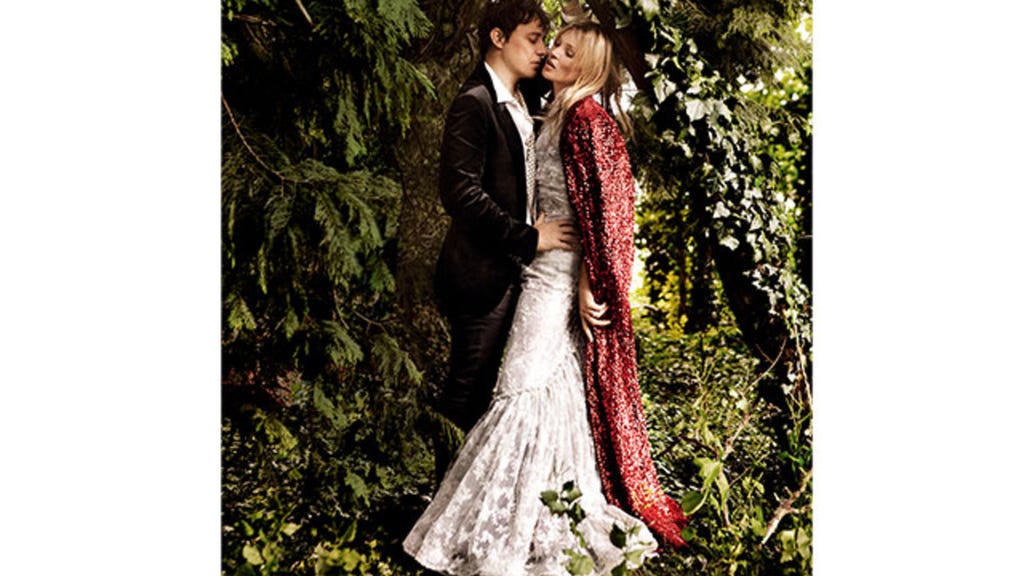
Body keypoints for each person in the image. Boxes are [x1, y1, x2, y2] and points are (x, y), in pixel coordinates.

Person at [405, 20, 682, 576]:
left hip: (556, 277)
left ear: (588, 67)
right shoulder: (551, 108)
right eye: (551, 43)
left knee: (517, 388)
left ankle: (499, 524)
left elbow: (605, 214)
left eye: (565, 50)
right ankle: (539, 511)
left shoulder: (586, 119)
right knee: (550, 390)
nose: (551, 52)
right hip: (533, 267)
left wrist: (586, 286)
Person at [432, 0, 576, 444]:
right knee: (465, 394)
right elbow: (461, 194)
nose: (542, 50)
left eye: (544, 40)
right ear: (498, 38)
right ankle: (445, 488)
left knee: (490, 395)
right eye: (533, 39)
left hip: (515, 272)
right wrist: (530, 237)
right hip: (480, 274)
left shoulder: (523, 97)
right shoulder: (474, 102)